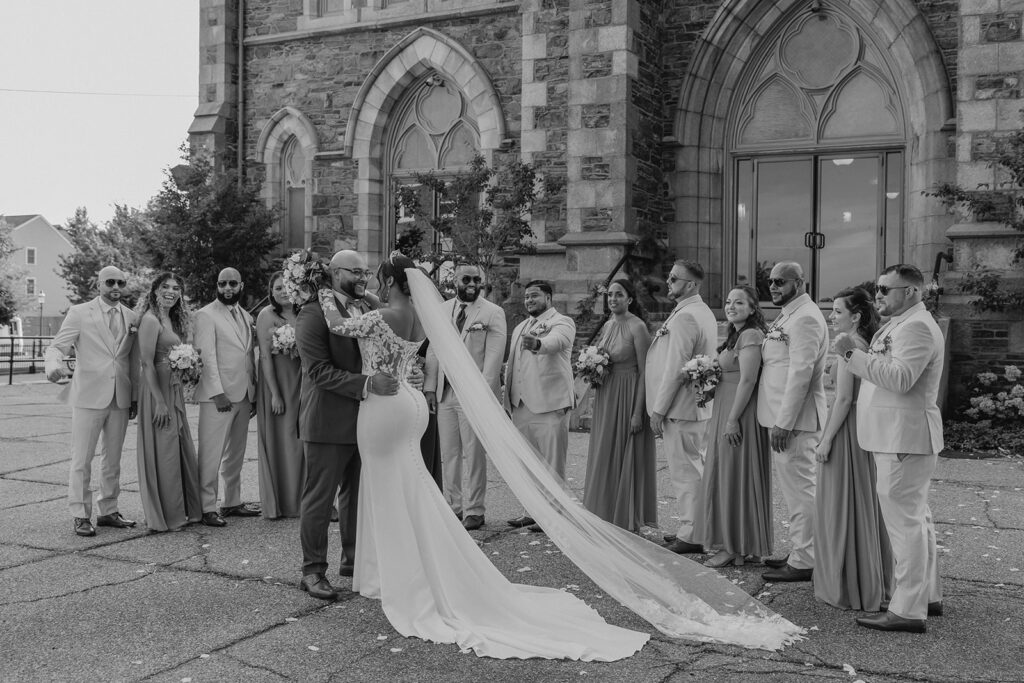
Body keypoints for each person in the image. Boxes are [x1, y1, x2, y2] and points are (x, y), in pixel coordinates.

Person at [321, 254, 648, 660]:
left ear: (390, 282)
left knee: (388, 488)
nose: (373, 283)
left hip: (385, 406)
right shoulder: (418, 312)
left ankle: (394, 575)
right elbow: (384, 311)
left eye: (378, 279)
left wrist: (320, 287)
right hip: (411, 402)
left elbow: (338, 325)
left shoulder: (385, 312)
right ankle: (396, 569)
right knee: (412, 487)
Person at [836, 264, 945, 633]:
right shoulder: (900, 323)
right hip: (897, 436)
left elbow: (900, 379)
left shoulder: (915, 327)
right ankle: (927, 596)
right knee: (918, 520)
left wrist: (851, 355)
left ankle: (906, 610)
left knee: (905, 525)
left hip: (903, 438)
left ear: (912, 292)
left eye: (886, 288)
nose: (878, 294)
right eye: (878, 287)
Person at [293, 250, 394, 600]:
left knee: (356, 495)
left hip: (365, 420)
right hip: (327, 421)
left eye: (366, 271)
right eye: (356, 271)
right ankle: (312, 571)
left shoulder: (365, 309)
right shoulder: (311, 314)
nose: (363, 277)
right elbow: (317, 371)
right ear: (335, 274)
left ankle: (352, 561)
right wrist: (366, 385)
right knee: (319, 500)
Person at [813, 286, 893, 610]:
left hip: (846, 430)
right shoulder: (865, 343)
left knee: (842, 504)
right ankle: (865, 578)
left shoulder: (850, 347)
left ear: (855, 316)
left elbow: (844, 398)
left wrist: (827, 439)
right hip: (860, 428)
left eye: (837, 312)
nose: (831, 317)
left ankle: (848, 584)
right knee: (861, 503)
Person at [44, 265, 139, 537]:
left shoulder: (132, 316)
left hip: (120, 397)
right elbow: (57, 347)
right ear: (98, 284)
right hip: (87, 396)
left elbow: (131, 362)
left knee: (113, 459)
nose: (116, 287)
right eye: (110, 282)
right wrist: (52, 367)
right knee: (82, 459)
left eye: (121, 282)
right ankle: (80, 514)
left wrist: (133, 397)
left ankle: (108, 510)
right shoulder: (79, 313)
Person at [757, 261, 828, 582]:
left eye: (780, 282)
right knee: (794, 491)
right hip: (780, 415)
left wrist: (784, 422)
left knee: (801, 491)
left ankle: (805, 560)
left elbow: (800, 374)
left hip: (796, 421)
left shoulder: (807, 319)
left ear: (800, 283)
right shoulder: (790, 314)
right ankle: (802, 549)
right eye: (770, 281)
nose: (773, 286)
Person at [424, 263, 507, 531]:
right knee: (449, 454)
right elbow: (434, 350)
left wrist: (480, 397)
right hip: (444, 393)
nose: (472, 284)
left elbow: (493, 360)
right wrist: (429, 388)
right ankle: (454, 506)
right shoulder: (441, 310)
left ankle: (474, 509)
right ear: (455, 281)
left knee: (474, 454)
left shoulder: (493, 313)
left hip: (473, 396)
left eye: (477, 280)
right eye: (466, 279)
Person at [645, 260, 718, 555]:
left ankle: (693, 534)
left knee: (686, 472)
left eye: (674, 278)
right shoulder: (696, 311)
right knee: (691, 468)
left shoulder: (688, 316)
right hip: (690, 405)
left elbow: (676, 366)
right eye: (670, 275)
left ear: (690, 285)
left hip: (681, 406)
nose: (668, 280)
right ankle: (694, 526)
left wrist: (659, 409)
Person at [701, 285, 773, 567]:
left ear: (753, 307)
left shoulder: (752, 335)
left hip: (739, 413)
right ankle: (741, 543)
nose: (731, 306)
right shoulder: (737, 334)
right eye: (729, 301)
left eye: (739, 302)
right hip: (725, 407)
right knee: (727, 473)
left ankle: (733, 545)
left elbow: (749, 379)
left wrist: (732, 419)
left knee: (734, 474)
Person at [582, 279, 657, 532]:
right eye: (610, 295)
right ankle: (604, 511)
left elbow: (646, 371)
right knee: (604, 451)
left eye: (619, 295)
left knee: (624, 452)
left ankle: (626, 516)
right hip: (607, 395)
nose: (613, 299)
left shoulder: (638, 327)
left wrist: (638, 412)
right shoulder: (608, 324)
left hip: (628, 395)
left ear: (630, 299)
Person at [503, 280, 576, 532]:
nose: (529, 300)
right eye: (526, 297)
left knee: (552, 463)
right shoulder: (521, 326)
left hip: (550, 404)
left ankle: (553, 514)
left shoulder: (562, 322)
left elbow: (557, 342)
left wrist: (538, 344)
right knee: (529, 463)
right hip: (521, 404)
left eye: (534, 296)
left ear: (548, 297)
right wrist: (507, 398)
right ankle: (533, 511)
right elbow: (513, 365)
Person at [135, 272, 202, 532]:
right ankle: (166, 515)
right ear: (154, 290)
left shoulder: (171, 320)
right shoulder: (151, 320)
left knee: (177, 448)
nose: (171, 291)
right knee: (164, 452)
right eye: (165, 286)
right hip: (157, 393)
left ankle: (183, 510)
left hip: (172, 389)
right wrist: (159, 402)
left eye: (176, 288)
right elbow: (146, 363)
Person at [194, 268, 259, 526]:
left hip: (243, 394)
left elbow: (248, 356)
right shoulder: (205, 315)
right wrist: (217, 393)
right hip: (218, 397)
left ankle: (232, 502)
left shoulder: (245, 315)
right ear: (217, 285)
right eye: (223, 284)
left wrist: (252, 393)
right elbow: (206, 356)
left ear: (241, 285)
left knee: (236, 453)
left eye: (233, 283)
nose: (228, 288)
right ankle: (206, 506)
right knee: (211, 453)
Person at [255, 271, 305, 519]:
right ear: (271, 293)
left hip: (302, 380)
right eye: (277, 289)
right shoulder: (266, 315)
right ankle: (283, 503)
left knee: (303, 440)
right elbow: (265, 355)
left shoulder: (303, 311)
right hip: (278, 382)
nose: (283, 291)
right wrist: (275, 394)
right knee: (282, 440)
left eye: (286, 287)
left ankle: (306, 501)